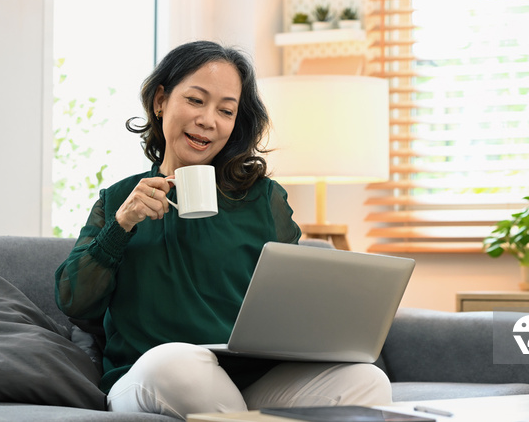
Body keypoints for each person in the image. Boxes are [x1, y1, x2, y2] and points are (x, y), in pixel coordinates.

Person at [55, 40, 392, 420]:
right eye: (196, 101)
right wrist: (123, 224)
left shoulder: (264, 199)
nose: (209, 120)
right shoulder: (120, 199)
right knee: (179, 363)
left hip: (247, 382)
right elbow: (74, 300)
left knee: (367, 381)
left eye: (226, 110)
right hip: (151, 376)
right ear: (161, 101)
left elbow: (297, 299)